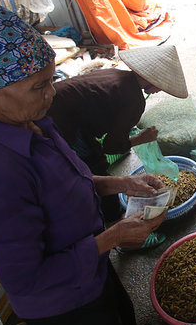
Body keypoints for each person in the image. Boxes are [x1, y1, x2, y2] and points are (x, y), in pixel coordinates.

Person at [0, 6, 168, 325]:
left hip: (91, 266)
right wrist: (112, 237)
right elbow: (29, 278)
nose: (51, 93)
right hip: (64, 303)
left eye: (50, 80)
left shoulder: (36, 123)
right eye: (39, 86)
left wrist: (123, 182)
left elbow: (72, 183)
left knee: (121, 318)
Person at [46, 45, 188, 225]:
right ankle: (115, 222)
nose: (161, 90)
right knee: (91, 171)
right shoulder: (134, 100)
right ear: (150, 79)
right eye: (161, 85)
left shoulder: (117, 74)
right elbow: (111, 147)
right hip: (60, 122)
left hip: (52, 103)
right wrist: (140, 139)